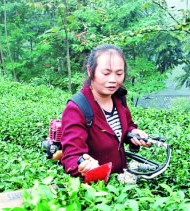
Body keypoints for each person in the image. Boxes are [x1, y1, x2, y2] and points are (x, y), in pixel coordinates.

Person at [61, 44, 150, 177]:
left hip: (122, 182)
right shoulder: (77, 107)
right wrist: (83, 164)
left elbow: (126, 127)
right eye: (106, 73)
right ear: (91, 71)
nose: (113, 80)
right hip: (98, 190)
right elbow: (71, 157)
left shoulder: (119, 98)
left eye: (119, 73)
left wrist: (133, 133)